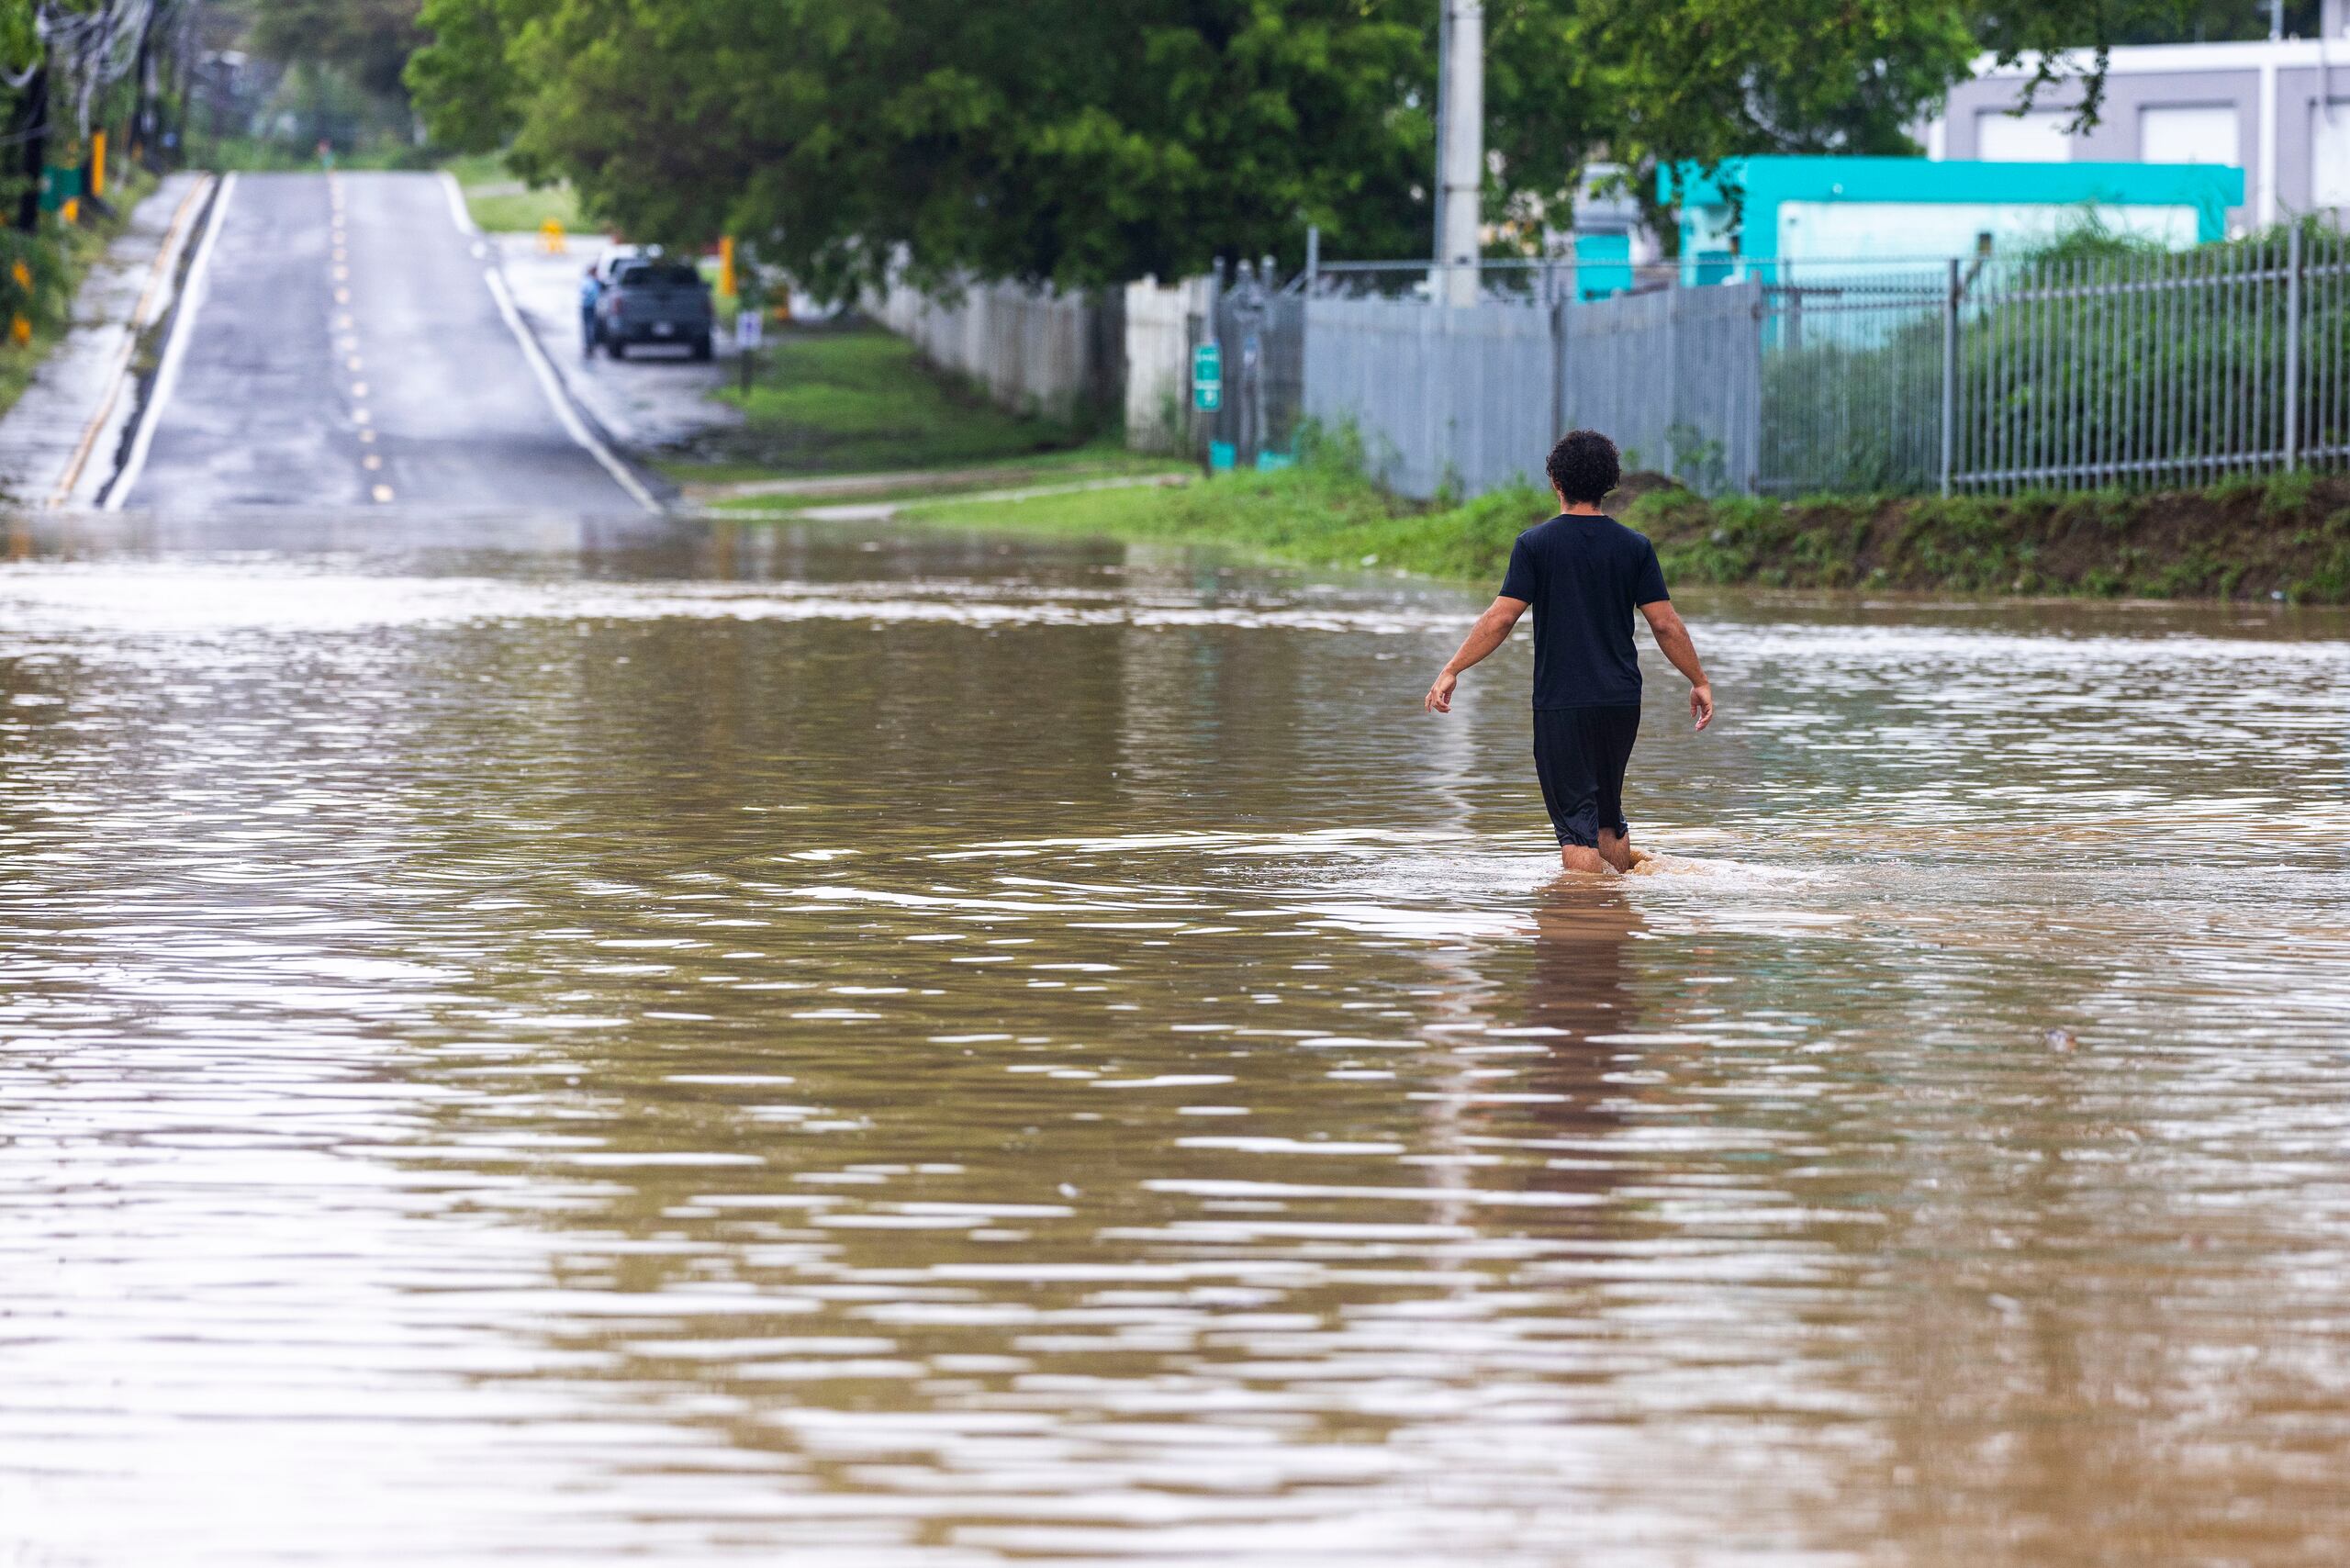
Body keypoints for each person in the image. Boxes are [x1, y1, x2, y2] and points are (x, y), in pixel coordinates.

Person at [1423, 429, 1714, 875]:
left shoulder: (1535, 545)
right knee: (1608, 818)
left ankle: (1581, 926)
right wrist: (1699, 680)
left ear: (1555, 481)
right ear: (1609, 484)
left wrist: (1452, 668)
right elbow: (1665, 624)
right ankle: (1614, 924)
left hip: (1564, 703)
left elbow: (1501, 618)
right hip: (1620, 702)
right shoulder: (1635, 547)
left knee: (1576, 826)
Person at [579, 262, 603, 356]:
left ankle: (590, 345)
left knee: (589, 326)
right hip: (590, 306)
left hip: (588, 306)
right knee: (590, 326)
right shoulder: (591, 281)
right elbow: (591, 293)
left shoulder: (589, 281)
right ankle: (590, 345)